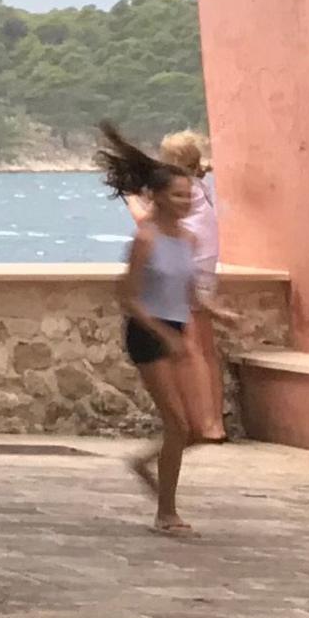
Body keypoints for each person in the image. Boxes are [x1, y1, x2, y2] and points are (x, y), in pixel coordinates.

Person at [100, 122, 237, 533]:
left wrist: (220, 312)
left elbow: (194, 295)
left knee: (197, 429)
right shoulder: (145, 239)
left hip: (176, 329)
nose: (185, 201)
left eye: (189, 195)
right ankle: (166, 512)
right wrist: (163, 336)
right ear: (157, 197)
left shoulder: (188, 241)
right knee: (177, 424)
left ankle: (143, 463)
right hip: (148, 334)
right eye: (177, 196)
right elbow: (127, 297)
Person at [158, 129, 226, 441]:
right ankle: (214, 422)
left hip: (189, 270)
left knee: (191, 349)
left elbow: (148, 221)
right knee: (206, 349)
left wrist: (130, 197)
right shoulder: (202, 188)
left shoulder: (183, 191)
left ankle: (202, 424)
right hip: (207, 269)